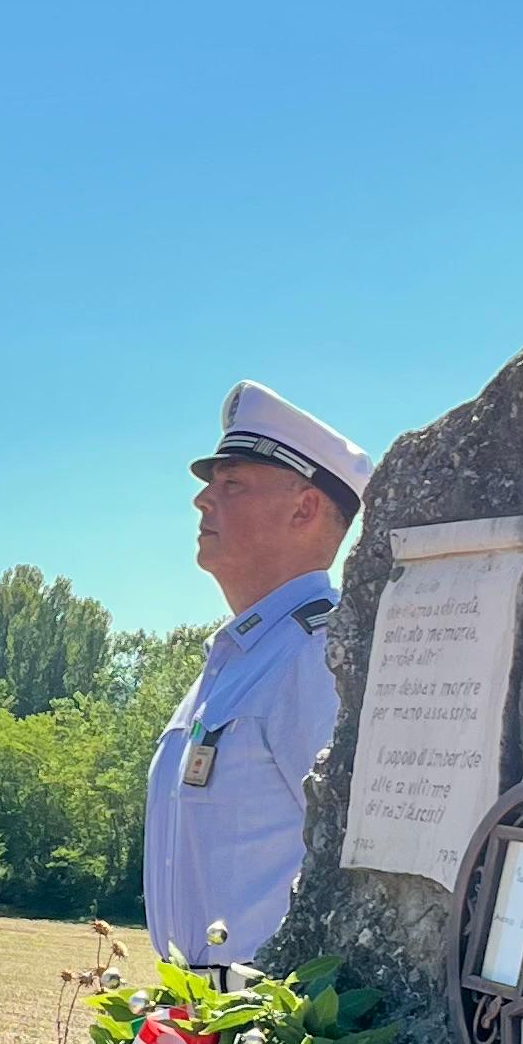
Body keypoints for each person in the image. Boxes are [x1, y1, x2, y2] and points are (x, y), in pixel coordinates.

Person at [144, 381, 375, 978]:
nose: (203, 500)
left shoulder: (318, 656)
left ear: (305, 508)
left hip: (268, 1033)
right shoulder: (235, 662)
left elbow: (359, 866)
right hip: (194, 1025)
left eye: (233, 484)